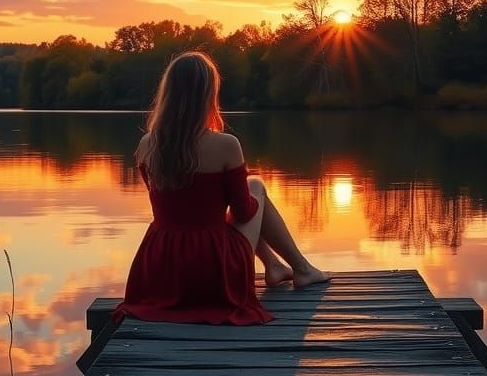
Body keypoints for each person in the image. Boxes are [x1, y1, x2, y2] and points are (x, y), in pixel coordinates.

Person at [113, 50, 329, 325]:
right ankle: (301, 268)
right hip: (210, 267)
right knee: (257, 188)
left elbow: (172, 206)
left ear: (168, 93)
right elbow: (243, 211)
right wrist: (245, 198)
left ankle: (276, 266)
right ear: (208, 95)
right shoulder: (226, 145)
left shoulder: (147, 145)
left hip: (161, 265)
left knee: (229, 208)